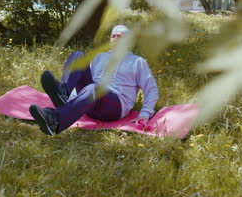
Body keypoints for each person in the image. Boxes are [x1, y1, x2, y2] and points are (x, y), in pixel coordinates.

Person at [29, 25, 159, 135]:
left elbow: (151, 89)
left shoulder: (137, 62)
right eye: (114, 36)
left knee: (95, 88)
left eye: (121, 36)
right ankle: (64, 92)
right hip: (91, 100)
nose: (116, 39)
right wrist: (71, 101)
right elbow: (81, 80)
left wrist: (144, 114)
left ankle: (55, 119)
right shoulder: (100, 57)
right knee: (78, 55)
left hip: (115, 106)